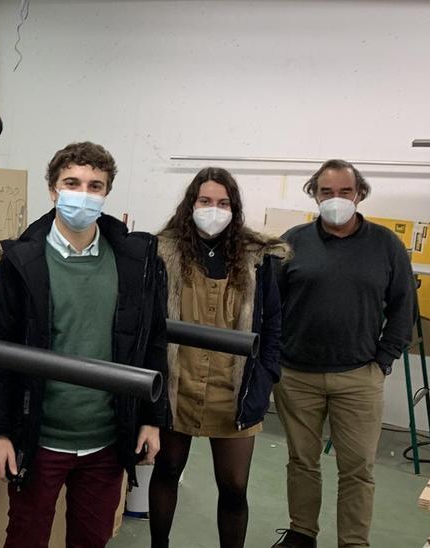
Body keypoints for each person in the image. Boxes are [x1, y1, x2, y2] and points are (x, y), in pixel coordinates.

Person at [0, 141, 168, 548]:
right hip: (39, 439)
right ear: (52, 189)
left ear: (106, 193)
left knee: (92, 540)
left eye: (95, 185)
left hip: (106, 438)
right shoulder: (20, 263)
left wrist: (152, 418)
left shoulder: (136, 261)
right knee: (26, 539)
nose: (83, 193)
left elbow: (151, 341)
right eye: (72, 182)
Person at [272, 160, 414, 548]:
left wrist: (384, 358)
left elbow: (404, 306)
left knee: (358, 469)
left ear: (359, 194)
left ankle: (353, 541)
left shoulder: (386, 245)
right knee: (302, 462)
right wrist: (274, 358)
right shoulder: (293, 241)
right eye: (326, 192)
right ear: (314, 195)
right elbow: (269, 306)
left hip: (359, 376)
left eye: (344, 192)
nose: (335, 200)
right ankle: (302, 532)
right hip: (296, 375)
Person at [147, 167, 287, 548]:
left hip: (235, 390)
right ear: (191, 204)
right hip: (178, 385)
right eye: (205, 201)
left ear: (235, 208)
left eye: (223, 203)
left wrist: (266, 378)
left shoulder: (258, 260)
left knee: (234, 487)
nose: (214, 209)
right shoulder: (164, 254)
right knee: (167, 470)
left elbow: (273, 327)